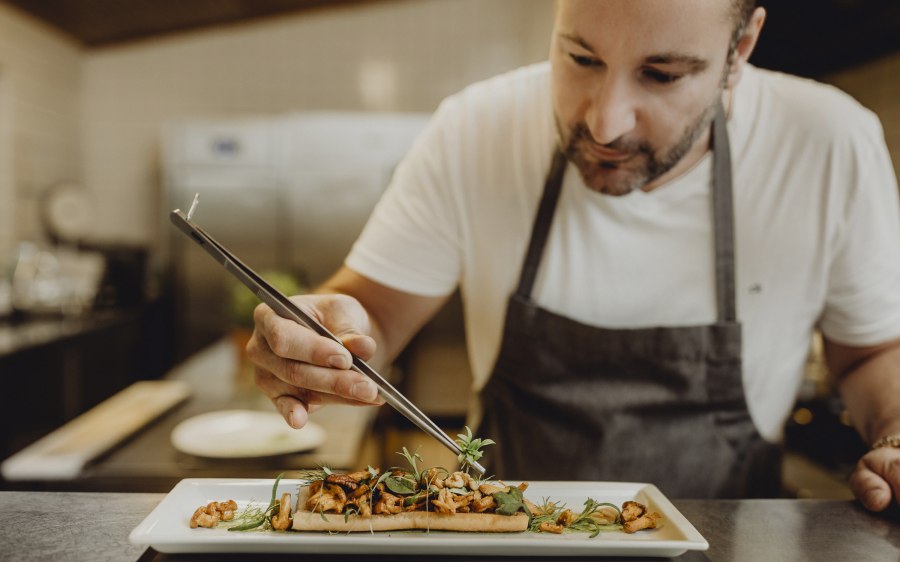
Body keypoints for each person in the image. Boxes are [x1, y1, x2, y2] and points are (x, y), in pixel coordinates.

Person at [247, 0, 900, 506]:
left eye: (662, 74)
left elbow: (873, 351)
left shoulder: (827, 143)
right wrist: (328, 341)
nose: (604, 121)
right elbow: (373, 315)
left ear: (740, 50)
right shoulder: (477, 127)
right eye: (581, 59)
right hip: (507, 548)